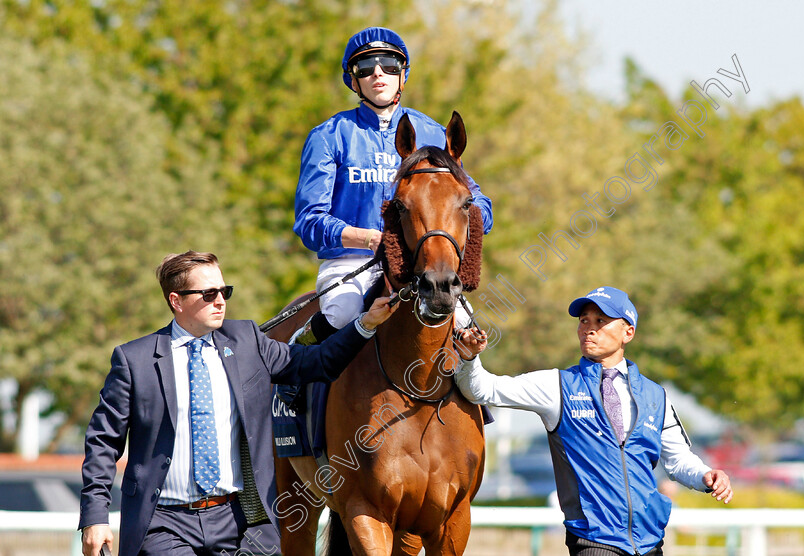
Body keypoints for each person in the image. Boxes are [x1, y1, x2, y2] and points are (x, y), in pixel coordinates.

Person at [79, 251, 398, 556]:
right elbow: (103, 441)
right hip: (164, 524)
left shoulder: (247, 340)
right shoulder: (134, 360)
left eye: (224, 291)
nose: (219, 301)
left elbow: (317, 363)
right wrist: (95, 516)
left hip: (239, 521)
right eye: (207, 294)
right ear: (176, 301)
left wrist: (365, 324)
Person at [453, 286, 733, 556]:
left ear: (628, 332)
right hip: (593, 540)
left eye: (601, 320)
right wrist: (469, 357)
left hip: (650, 542)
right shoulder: (556, 385)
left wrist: (705, 477)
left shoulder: (656, 396)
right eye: (584, 320)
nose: (590, 327)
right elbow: (481, 389)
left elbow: (679, 460)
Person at [292, 26, 493, 344]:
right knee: (341, 314)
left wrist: (458, 223)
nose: (378, 73)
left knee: (468, 331)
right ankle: (291, 377)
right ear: (354, 79)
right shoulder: (328, 136)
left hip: (423, 266)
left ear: (403, 74)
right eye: (366, 67)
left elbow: (478, 201)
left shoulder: (435, 134)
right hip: (351, 263)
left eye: (389, 64)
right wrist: (370, 239)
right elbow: (309, 222)